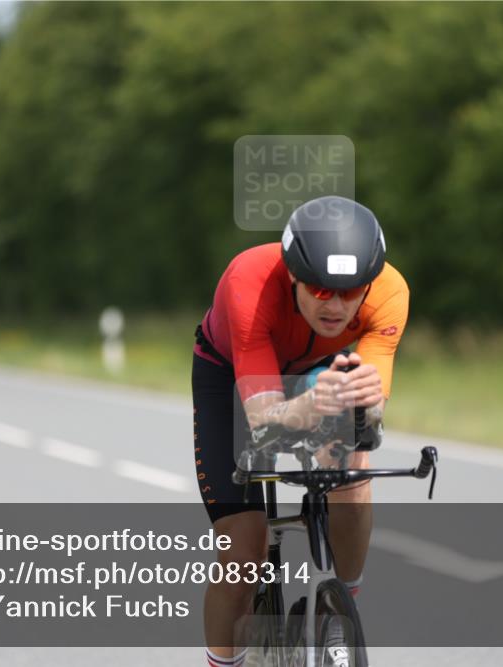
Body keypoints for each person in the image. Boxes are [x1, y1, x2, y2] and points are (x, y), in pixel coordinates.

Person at [191, 195, 409, 667]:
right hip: (230, 376)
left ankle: (341, 603)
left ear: (370, 283)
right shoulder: (249, 279)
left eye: (351, 291)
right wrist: (309, 405)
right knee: (243, 552)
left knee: (353, 461)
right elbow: (265, 422)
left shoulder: (391, 292)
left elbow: (368, 421)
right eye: (319, 289)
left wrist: (360, 411)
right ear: (292, 275)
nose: (335, 305)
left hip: (316, 368)